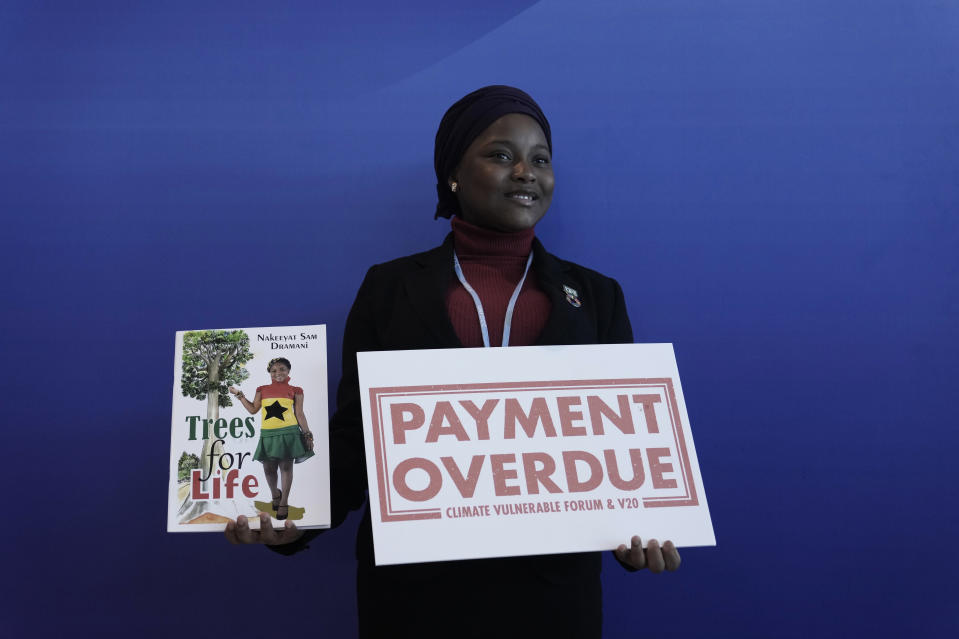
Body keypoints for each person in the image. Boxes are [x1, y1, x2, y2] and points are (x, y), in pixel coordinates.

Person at [226, 86, 681, 637]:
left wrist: (643, 530)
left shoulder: (597, 296)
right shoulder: (389, 288)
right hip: (415, 599)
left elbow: (623, 450)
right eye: (501, 154)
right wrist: (294, 522)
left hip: (553, 601)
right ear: (453, 175)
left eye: (541, 159)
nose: (525, 172)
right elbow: (356, 437)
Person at [229, 357, 314, 520]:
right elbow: (253, 410)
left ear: (288, 370)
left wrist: (307, 434)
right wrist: (239, 394)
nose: (278, 373)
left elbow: (299, 413)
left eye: (282, 369)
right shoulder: (262, 389)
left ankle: (284, 502)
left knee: (286, 468)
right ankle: (275, 494)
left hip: (289, 433)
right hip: (268, 434)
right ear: (269, 373)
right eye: (274, 370)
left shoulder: (296, 390)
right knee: (268, 468)